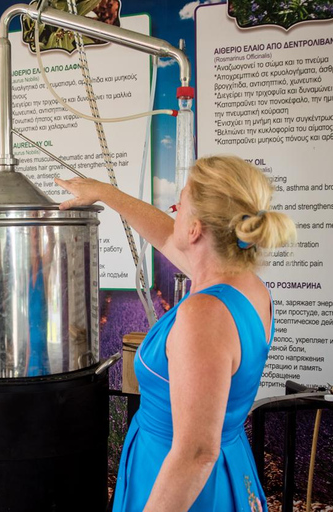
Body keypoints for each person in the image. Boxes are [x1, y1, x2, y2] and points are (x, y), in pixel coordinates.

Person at [55, 155, 296, 512]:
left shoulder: (205, 315)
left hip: (183, 485)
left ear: (196, 230)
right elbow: (165, 234)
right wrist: (106, 193)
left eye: (180, 204)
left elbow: (197, 454)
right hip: (217, 465)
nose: (173, 211)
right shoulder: (244, 284)